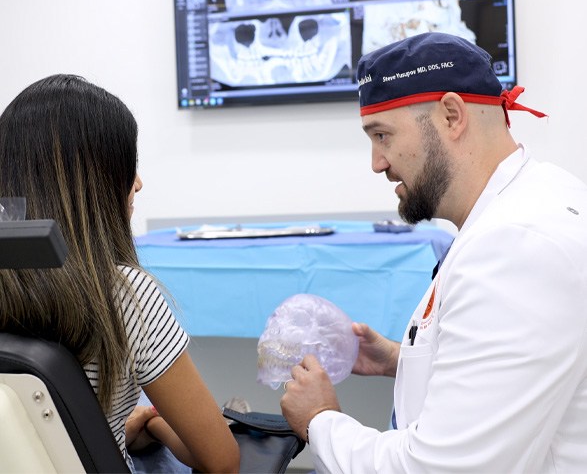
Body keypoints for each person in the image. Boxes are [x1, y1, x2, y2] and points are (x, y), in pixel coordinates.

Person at [280, 32, 587, 472]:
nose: (376, 162)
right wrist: (403, 360)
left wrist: (320, 422)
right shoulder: (540, 196)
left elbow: (443, 468)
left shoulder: (515, 248)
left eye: (382, 135)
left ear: (451, 114)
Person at [0, 74, 239, 473]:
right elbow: (221, 461)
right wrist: (158, 425)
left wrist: (106, 428)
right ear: (96, 185)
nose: (138, 184)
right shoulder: (126, 296)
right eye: (129, 168)